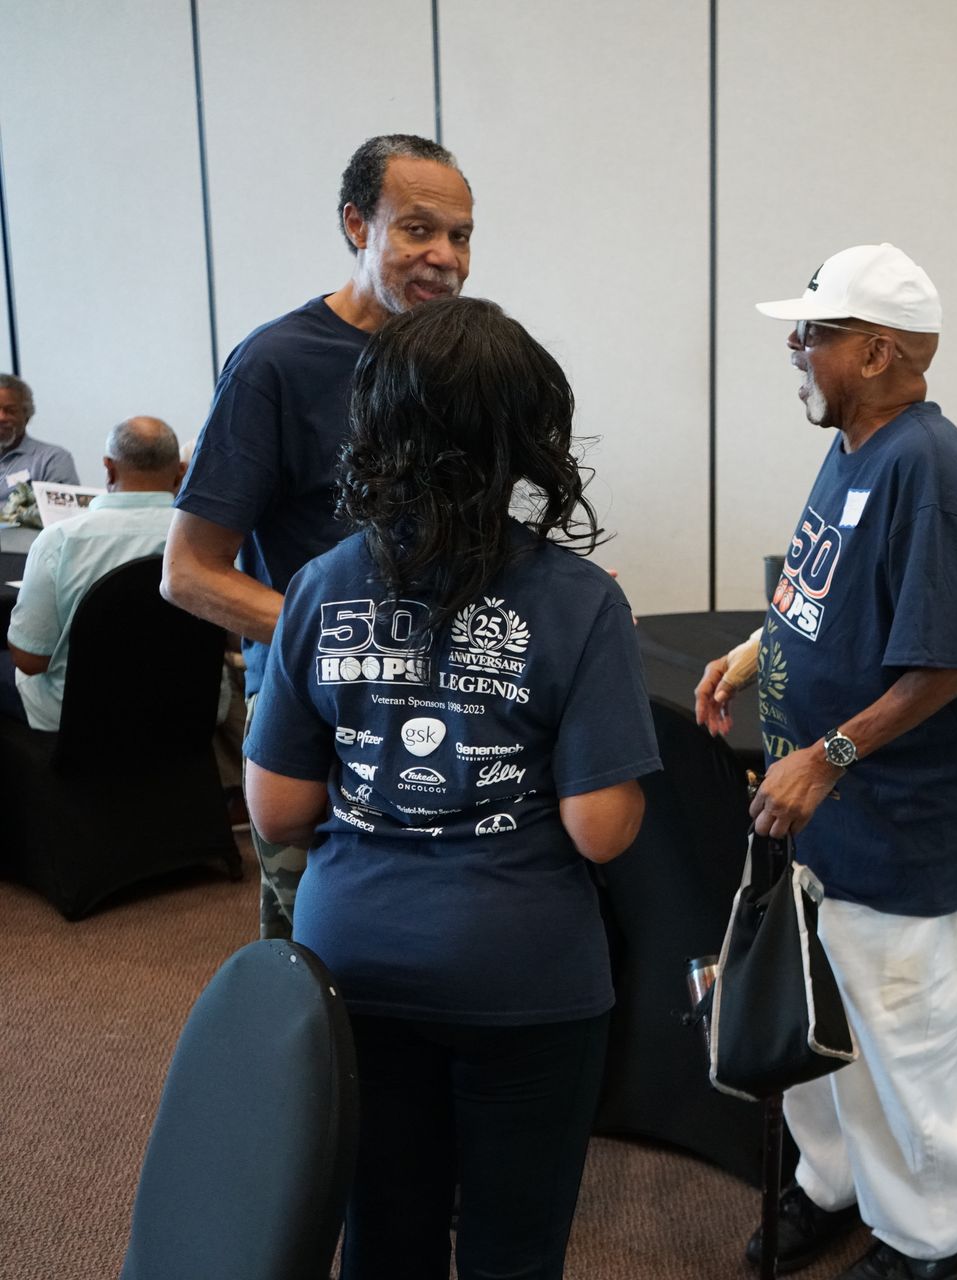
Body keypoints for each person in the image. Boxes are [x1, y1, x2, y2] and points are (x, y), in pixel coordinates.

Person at [243, 297, 656, 1279]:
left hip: (355, 960)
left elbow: (278, 811)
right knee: (515, 1248)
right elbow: (602, 829)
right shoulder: (581, 600)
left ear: (377, 427)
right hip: (527, 968)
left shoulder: (321, 583)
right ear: (527, 440)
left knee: (384, 1234)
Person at [694, 243, 957, 1280]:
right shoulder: (855, 447)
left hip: (906, 834)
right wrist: (754, 650)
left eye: (816, 331)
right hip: (833, 829)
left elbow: (955, 659)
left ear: (877, 351)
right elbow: (826, 597)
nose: (795, 347)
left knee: (903, 1053)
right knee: (827, 1028)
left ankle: (929, 1248)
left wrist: (827, 754)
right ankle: (834, 1186)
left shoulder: (930, 466)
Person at [164, 132, 474, 939]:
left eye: (461, 235)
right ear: (356, 225)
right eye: (418, 229)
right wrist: (338, 639)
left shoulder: (453, 359)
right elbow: (190, 572)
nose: (445, 257)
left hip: (442, 696)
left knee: (427, 938)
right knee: (318, 950)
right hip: (315, 706)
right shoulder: (277, 363)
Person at [3, 417, 185, 727]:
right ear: (180, 471)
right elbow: (234, 642)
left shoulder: (59, 541)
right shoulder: (206, 539)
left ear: (109, 468)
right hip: (186, 709)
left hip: (73, 715)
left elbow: (31, 661)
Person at [0, 375, 81, 488]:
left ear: (27, 416)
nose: (2, 417)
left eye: (11, 411)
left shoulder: (52, 459)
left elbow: (60, 505)